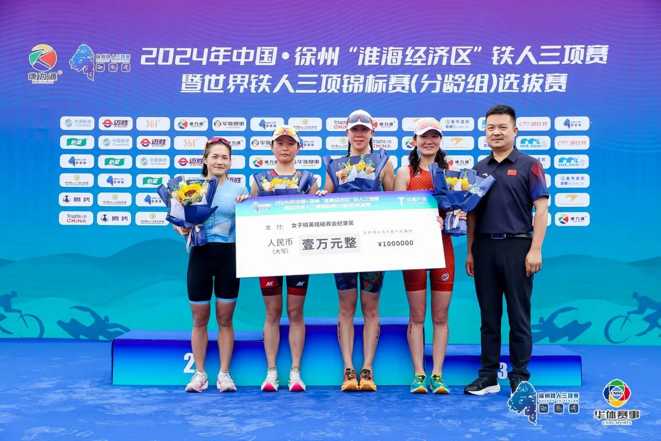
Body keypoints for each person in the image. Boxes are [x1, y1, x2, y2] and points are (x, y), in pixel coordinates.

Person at [464, 105, 549, 396]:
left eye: (502, 127)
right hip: (484, 248)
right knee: (488, 318)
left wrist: (535, 249)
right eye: (491, 128)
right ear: (485, 132)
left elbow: (541, 209)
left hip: (518, 247)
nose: (496, 132)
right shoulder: (478, 168)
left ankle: (520, 378)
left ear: (515, 130)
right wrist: (470, 251)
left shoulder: (530, 165)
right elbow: (471, 214)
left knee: (518, 316)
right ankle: (488, 376)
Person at [321, 109, 395, 391]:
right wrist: (322, 197)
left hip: (374, 246)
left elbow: (395, 202)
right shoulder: (334, 165)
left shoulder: (384, 163)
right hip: (343, 246)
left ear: (372, 132)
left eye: (364, 129)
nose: (359, 134)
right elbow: (326, 198)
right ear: (347, 133)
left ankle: (368, 369)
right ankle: (348, 369)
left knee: (371, 307)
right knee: (346, 307)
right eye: (355, 129)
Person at [393, 118, 464, 394]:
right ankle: (419, 374)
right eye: (424, 136)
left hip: (443, 249)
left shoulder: (451, 173)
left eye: (434, 136)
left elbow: (459, 211)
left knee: (441, 315)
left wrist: (456, 215)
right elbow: (395, 214)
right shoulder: (404, 173)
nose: (429, 141)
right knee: (417, 315)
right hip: (414, 251)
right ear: (415, 141)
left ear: (440, 140)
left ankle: (438, 374)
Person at [174, 136, 249, 393]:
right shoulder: (190, 188)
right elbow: (180, 221)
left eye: (225, 157)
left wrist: (247, 208)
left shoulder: (240, 190)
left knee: (225, 320)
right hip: (200, 257)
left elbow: (252, 222)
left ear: (230, 162)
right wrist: (181, 228)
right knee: (199, 319)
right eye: (215, 156)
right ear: (205, 159)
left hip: (229, 257)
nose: (220, 161)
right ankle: (200, 374)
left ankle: (224, 374)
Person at [250, 125, 320, 392]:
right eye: (280, 143)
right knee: (272, 312)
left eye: (290, 143)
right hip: (268, 255)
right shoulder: (259, 180)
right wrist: (245, 201)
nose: (285, 148)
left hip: (299, 257)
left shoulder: (309, 181)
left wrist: (321, 201)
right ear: (272, 147)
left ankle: (295, 372)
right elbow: (251, 217)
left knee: (295, 312)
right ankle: (271, 373)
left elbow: (318, 220)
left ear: (298, 148)